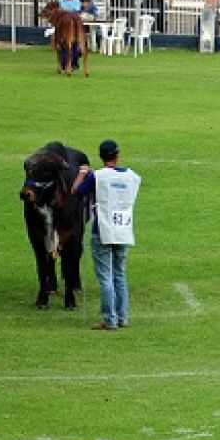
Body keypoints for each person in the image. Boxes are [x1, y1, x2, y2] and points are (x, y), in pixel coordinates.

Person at [71, 140, 141, 331]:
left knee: (105, 277)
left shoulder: (98, 176)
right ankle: (122, 316)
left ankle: (109, 319)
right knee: (120, 274)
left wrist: (82, 174)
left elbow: (75, 192)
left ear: (101, 156)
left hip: (102, 230)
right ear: (117, 154)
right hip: (124, 229)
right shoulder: (133, 177)